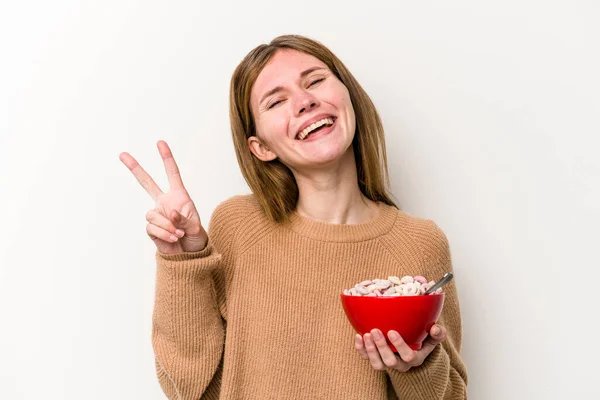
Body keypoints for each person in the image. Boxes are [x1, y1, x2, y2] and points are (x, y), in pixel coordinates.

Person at [120, 34, 468, 399]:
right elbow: (187, 387)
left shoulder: (419, 244)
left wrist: (417, 367)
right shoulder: (238, 226)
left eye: (315, 80)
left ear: (348, 96)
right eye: (277, 101)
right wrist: (183, 259)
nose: (304, 102)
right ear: (262, 147)